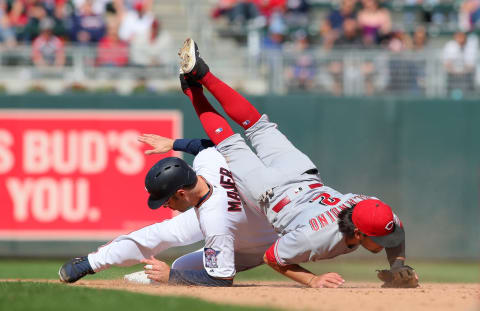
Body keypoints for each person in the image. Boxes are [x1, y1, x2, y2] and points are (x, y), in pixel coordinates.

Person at [174, 38, 419, 288]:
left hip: (301, 173)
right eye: (380, 238)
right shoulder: (317, 237)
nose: (386, 240)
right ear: (357, 233)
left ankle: (201, 74)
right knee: (229, 143)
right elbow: (272, 257)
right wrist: (312, 279)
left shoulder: (371, 208)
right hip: (271, 192)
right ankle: (192, 90)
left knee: (258, 125)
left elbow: (395, 229)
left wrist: (398, 266)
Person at [58, 132, 278, 286]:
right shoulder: (208, 164)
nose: (164, 205)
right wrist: (174, 143)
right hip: (239, 219)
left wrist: (171, 277)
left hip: (259, 246)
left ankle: (160, 277)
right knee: (162, 236)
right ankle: (90, 263)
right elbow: (205, 146)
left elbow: (221, 280)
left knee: (182, 269)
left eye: (166, 200)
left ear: (181, 192)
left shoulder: (215, 221)